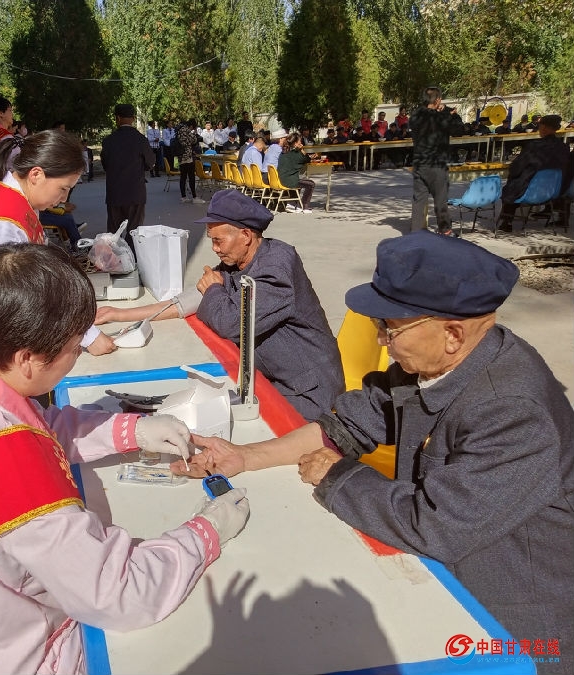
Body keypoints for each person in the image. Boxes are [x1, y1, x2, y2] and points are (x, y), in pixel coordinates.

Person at [173, 232, 574, 674]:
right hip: (454, 575)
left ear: (452, 334)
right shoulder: (435, 364)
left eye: (390, 327)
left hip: (511, 616)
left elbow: (436, 525)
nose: (381, 340)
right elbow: (348, 423)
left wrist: (338, 476)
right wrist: (247, 456)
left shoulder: (512, 411)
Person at [0, 242, 251, 675]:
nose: (79, 354)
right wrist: (205, 532)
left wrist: (132, 430)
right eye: (73, 347)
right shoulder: (17, 477)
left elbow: (38, 427)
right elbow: (119, 595)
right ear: (27, 359)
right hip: (18, 658)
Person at [95, 190, 344, 421]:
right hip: (275, 377)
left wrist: (214, 290)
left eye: (219, 241)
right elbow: (188, 301)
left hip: (308, 390)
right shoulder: (240, 259)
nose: (214, 249)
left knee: (217, 420)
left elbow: (231, 324)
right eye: (211, 240)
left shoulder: (275, 269)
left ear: (245, 235)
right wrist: (119, 314)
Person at [0, 130, 116, 377]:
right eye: (63, 188)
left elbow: (41, 259)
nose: (63, 199)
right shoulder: (2, 218)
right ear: (36, 174)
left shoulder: (16, 199)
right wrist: (85, 335)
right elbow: (25, 289)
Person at [496, 114, 570, 232]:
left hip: (531, 190)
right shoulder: (563, 147)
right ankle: (558, 215)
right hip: (554, 191)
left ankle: (507, 221)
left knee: (513, 183)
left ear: (543, 127)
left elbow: (517, 167)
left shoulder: (535, 146)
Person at [409, 86, 464, 235]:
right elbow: (459, 130)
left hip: (419, 163)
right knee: (440, 199)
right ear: (438, 100)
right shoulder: (441, 117)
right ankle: (444, 230)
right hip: (436, 163)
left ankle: (415, 233)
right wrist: (450, 113)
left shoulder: (415, 116)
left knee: (419, 200)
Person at [100, 103, 155, 244]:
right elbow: (150, 163)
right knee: (134, 231)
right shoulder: (141, 139)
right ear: (133, 118)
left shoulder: (108, 141)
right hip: (135, 192)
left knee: (113, 233)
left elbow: (105, 165)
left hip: (115, 193)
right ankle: (131, 255)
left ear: (117, 118)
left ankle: (114, 256)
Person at [277, 132, 317, 213]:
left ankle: (292, 203)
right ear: (295, 143)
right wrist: (302, 149)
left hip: (281, 179)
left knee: (298, 180)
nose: (301, 143)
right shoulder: (296, 153)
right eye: (299, 141)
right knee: (311, 184)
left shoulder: (283, 152)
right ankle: (304, 206)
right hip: (289, 181)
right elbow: (307, 159)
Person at [176, 117, 205, 204]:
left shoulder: (180, 130)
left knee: (183, 177)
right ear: (191, 126)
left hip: (181, 156)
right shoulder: (187, 130)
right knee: (191, 176)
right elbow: (194, 140)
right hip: (187, 156)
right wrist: (194, 134)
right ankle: (194, 197)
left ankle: (183, 197)